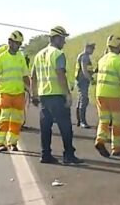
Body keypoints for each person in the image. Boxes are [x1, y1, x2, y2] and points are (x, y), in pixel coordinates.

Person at [30, 26, 83, 165]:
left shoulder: (38, 55)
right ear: (56, 38)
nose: (64, 42)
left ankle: (45, 154)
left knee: (45, 127)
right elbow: (60, 74)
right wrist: (68, 94)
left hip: (43, 96)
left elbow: (33, 76)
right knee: (65, 127)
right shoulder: (57, 54)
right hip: (57, 95)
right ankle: (68, 155)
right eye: (63, 38)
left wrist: (34, 94)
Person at [0, 31, 30, 152]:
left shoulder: (21, 57)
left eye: (20, 44)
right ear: (10, 42)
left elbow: (25, 75)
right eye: (16, 43)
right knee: (4, 119)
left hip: (19, 94)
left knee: (17, 121)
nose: (18, 46)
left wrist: (30, 90)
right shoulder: (1, 58)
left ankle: (12, 143)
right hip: (5, 93)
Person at [94, 35, 120, 158]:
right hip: (114, 96)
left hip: (100, 94)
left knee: (103, 120)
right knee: (116, 123)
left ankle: (100, 140)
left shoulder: (102, 60)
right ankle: (116, 148)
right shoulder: (118, 60)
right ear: (118, 46)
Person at [74, 42, 96, 128]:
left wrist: (94, 71)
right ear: (87, 48)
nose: (93, 50)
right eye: (92, 48)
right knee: (84, 100)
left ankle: (79, 121)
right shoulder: (85, 57)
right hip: (82, 81)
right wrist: (91, 79)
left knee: (81, 100)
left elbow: (87, 70)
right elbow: (84, 70)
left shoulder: (82, 56)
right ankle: (82, 121)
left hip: (81, 81)